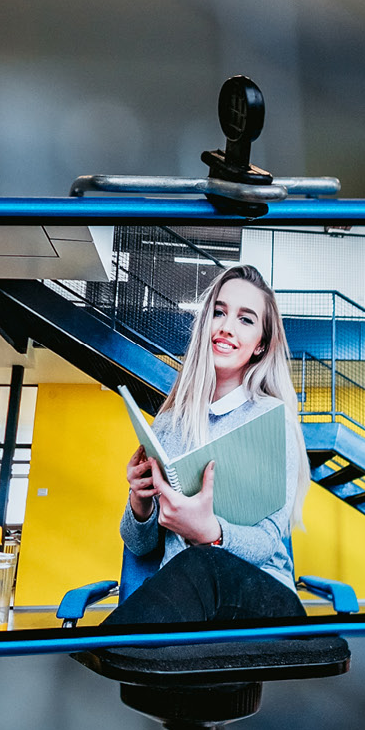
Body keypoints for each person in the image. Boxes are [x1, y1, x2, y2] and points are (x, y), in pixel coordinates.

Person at [105, 264, 313, 626]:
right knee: (186, 568)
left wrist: (209, 534)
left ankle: (109, 649)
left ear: (261, 344)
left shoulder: (271, 419)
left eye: (246, 320)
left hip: (262, 595)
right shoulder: (170, 423)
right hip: (184, 602)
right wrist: (139, 503)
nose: (226, 327)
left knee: (200, 560)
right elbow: (140, 547)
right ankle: (119, 652)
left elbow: (265, 544)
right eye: (219, 312)